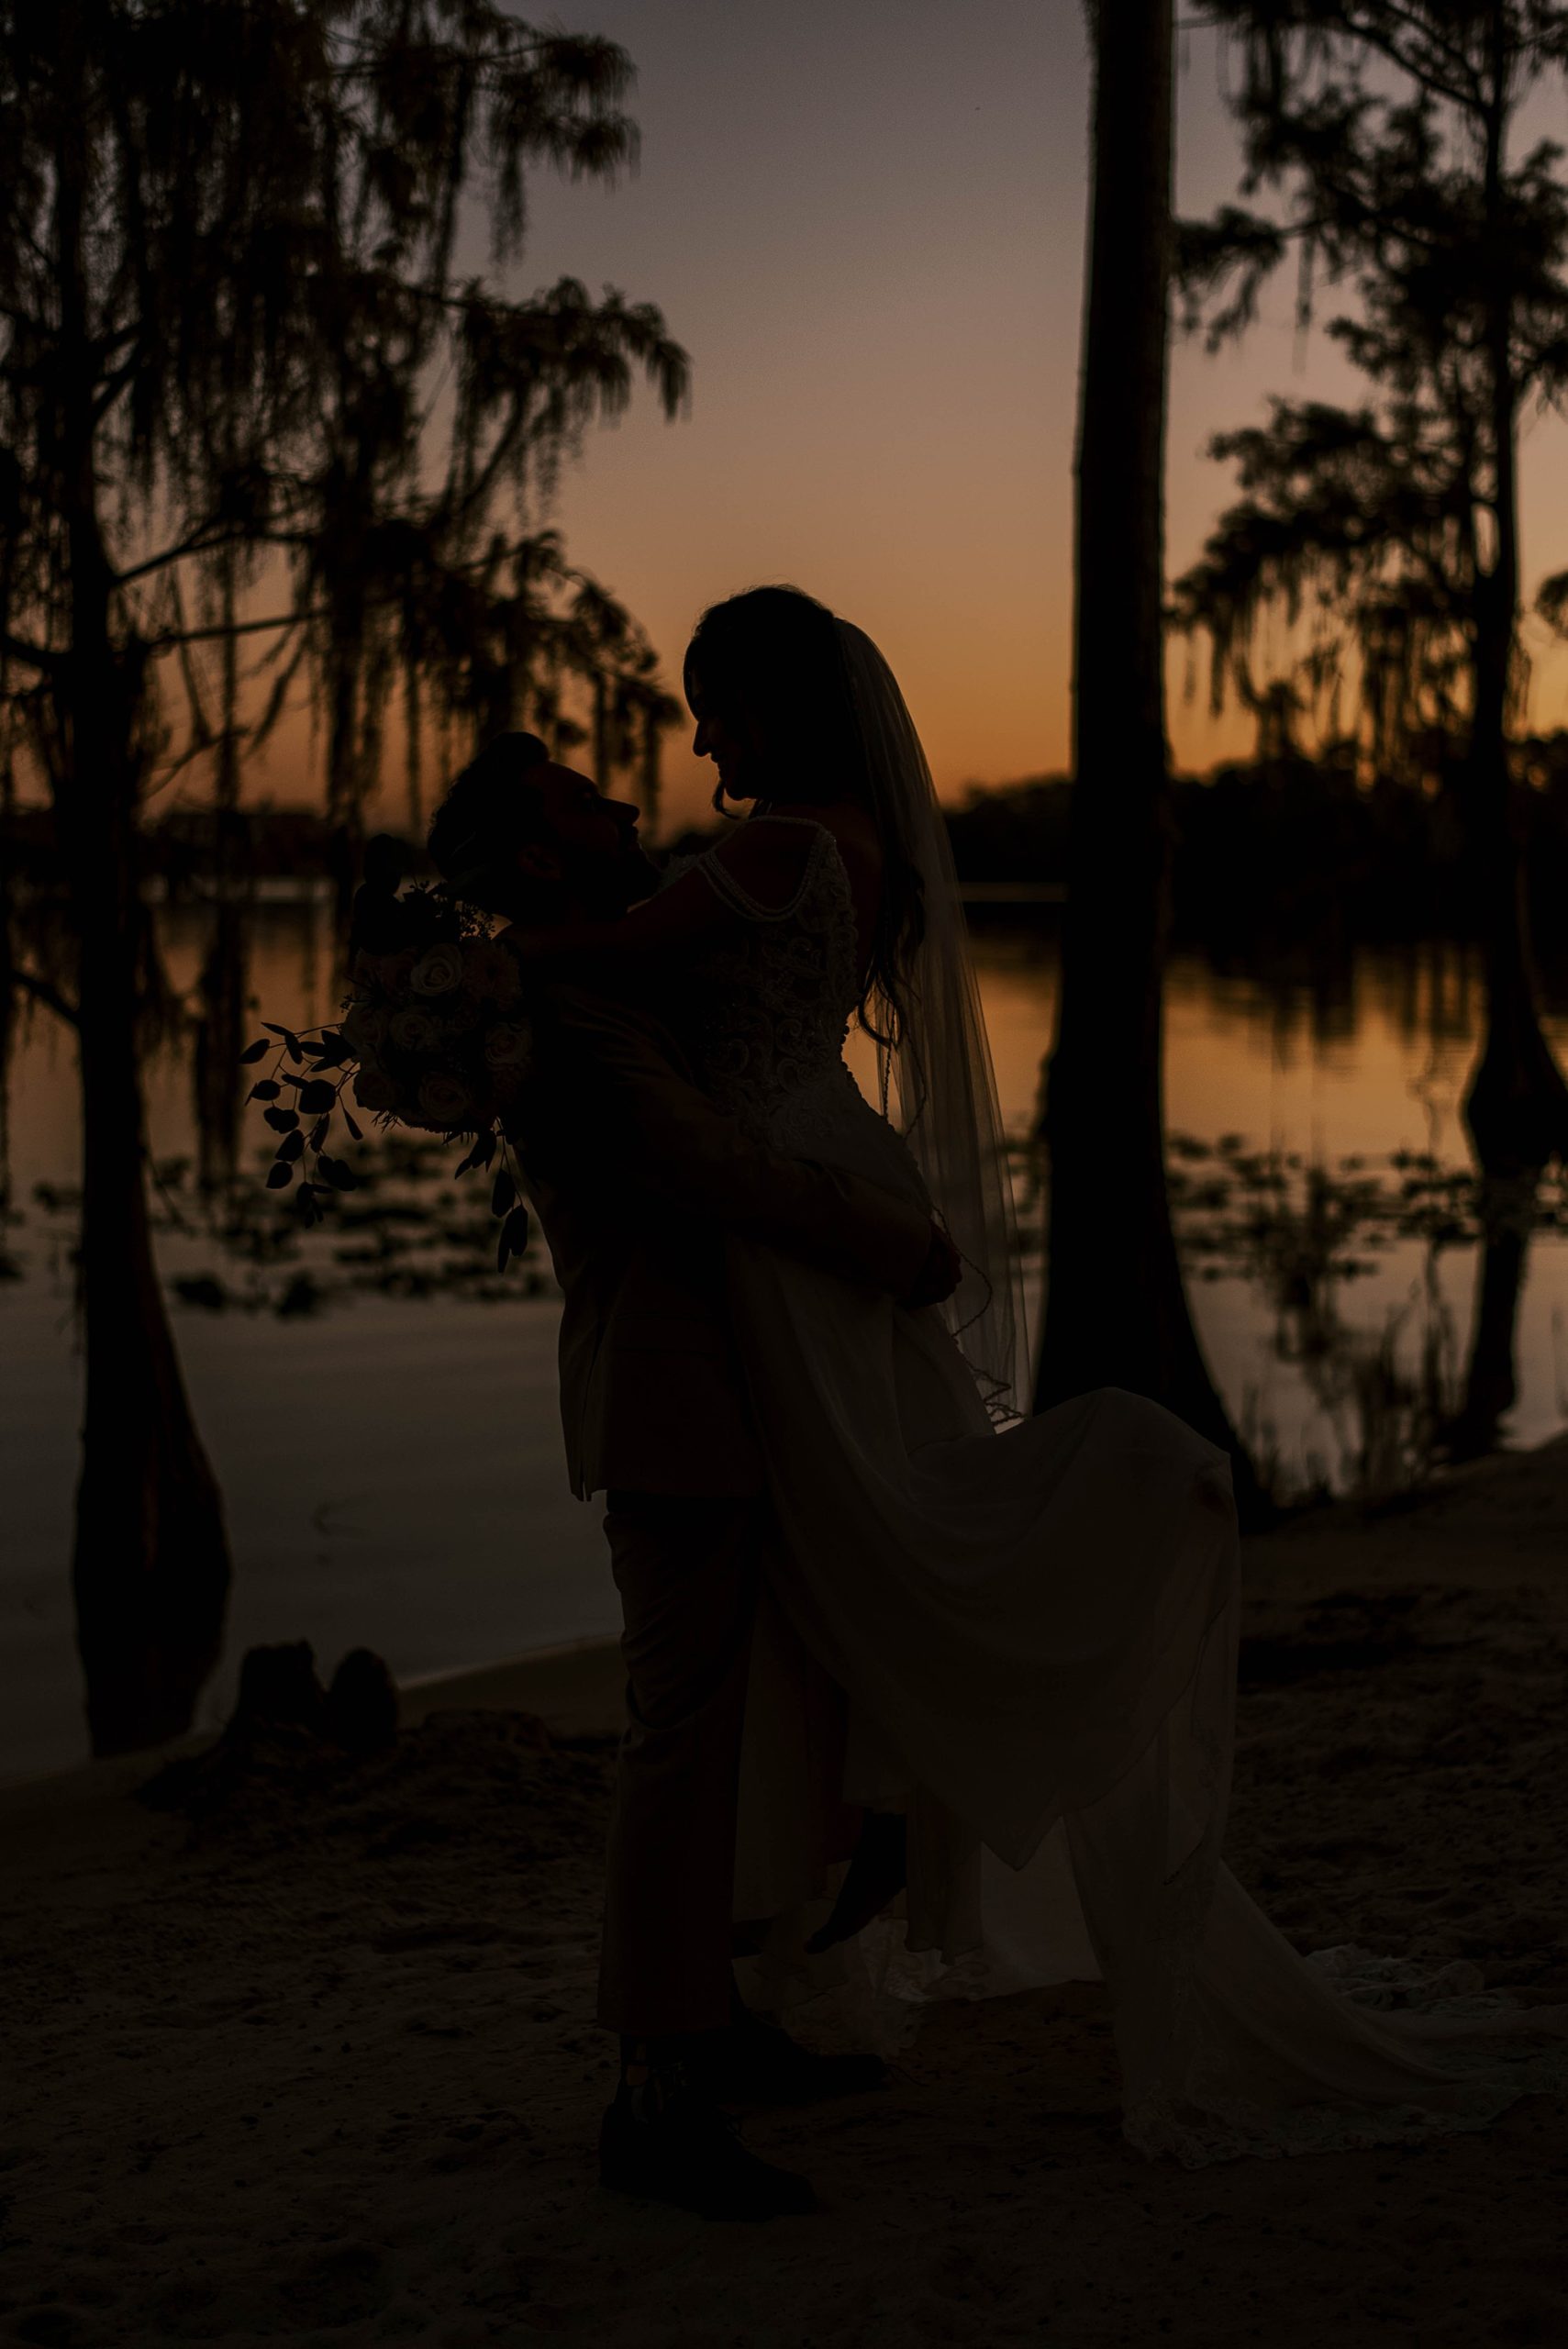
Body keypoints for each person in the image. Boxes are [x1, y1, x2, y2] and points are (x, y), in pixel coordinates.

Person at [495, 585, 1568, 2174]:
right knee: (842, 1578)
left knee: (864, 1554)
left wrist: (463, 961)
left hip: (799, 1221)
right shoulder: (824, 845)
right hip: (800, 1210)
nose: (694, 734)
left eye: (714, 698)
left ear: (780, 703)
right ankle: (743, 1984)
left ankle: (717, 2008)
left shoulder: (764, 857)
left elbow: (612, 980)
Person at [423, 731, 962, 2221]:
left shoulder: (598, 973)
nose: (621, 806)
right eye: (585, 803)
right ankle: (655, 2094)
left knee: (738, 1719)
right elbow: (703, 1161)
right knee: (675, 1746)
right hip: (672, 1408)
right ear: (543, 857)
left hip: (730, 1389)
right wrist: (897, 1245)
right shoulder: (575, 1007)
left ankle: (718, 2025)